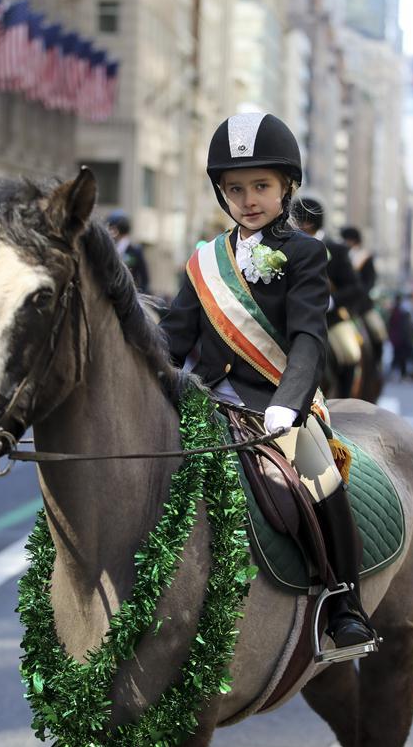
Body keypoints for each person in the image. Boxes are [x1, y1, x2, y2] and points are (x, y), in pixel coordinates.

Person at [160, 112, 376, 656]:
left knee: (319, 478)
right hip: (206, 402)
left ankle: (345, 605)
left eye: (261, 185)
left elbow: (308, 338)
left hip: (277, 406)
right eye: (236, 188)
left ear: (287, 187)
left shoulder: (306, 253)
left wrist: (290, 403)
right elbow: (172, 337)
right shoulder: (204, 261)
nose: (249, 198)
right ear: (221, 193)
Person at [294, 198, 364, 398]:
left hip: (329, 319)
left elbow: (355, 288)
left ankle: (344, 402)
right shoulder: (285, 245)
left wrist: (330, 301)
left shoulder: (337, 250)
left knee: (350, 354)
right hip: (292, 316)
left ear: (307, 224)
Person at [340, 225, 388, 359]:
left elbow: (370, 281)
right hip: (344, 304)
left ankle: (377, 363)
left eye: (348, 239)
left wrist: (359, 294)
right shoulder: (341, 254)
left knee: (377, 331)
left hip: (363, 306)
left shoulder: (365, 257)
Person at [106, 210, 150, 293]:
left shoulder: (135, 251)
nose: (109, 231)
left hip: (129, 295)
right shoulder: (109, 249)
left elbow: (144, 277)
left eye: (111, 228)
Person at [387, 294, 413, 381]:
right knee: (399, 357)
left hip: (401, 339)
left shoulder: (401, 311)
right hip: (400, 339)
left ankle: (400, 374)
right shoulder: (398, 311)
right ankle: (397, 373)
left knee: (400, 357)